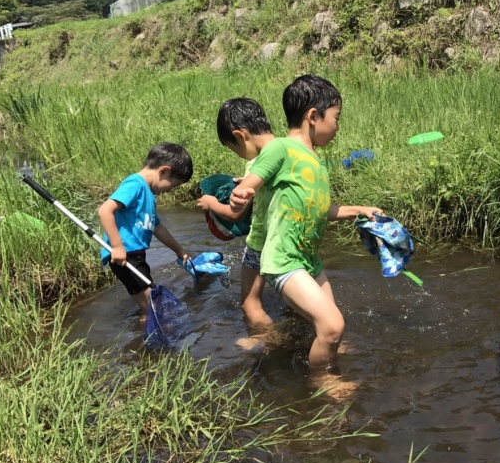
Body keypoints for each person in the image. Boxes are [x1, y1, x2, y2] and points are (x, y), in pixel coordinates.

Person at [228, 74, 382, 373]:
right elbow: (251, 182)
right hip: (284, 259)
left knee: (329, 324)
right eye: (336, 118)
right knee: (333, 325)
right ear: (314, 116)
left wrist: (358, 210)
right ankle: (322, 383)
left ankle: (324, 349)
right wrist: (241, 194)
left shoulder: (316, 159)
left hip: (309, 259)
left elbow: (320, 208)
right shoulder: (281, 149)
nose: (337, 126)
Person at [196, 97, 275, 331]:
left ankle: (265, 339)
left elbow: (234, 214)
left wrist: (210, 203)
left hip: (262, 244)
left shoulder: (256, 165)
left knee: (250, 304)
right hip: (292, 238)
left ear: (240, 136)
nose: (239, 155)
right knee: (298, 300)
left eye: (234, 149)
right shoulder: (287, 152)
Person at [98, 142, 193, 315]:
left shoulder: (149, 194)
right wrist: (117, 247)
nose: (170, 190)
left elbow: (158, 228)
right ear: (163, 171)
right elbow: (105, 211)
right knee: (152, 305)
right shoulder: (135, 184)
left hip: (136, 255)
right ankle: (146, 335)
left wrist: (179, 250)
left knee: (148, 303)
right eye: (173, 185)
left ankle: (141, 328)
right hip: (125, 256)